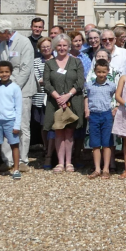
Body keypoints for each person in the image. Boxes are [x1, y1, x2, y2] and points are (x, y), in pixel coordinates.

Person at [0, 18, 36, 172]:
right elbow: (0, 66)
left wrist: (13, 88)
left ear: (5, 31)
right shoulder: (3, 44)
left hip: (22, 91)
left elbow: (26, 68)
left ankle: (23, 160)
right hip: (5, 90)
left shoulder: (24, 42)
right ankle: (9, 160)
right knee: (5, 123)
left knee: (22, 125)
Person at [43, 33, 86, 174]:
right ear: (55, 47)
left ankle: (69, 162)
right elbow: (47, 83)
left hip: (73, 100)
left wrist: (68, 95)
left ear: (69, 46)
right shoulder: (49, 64)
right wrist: (58, 97)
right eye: (59, 45)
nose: (62, 48)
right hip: (55, 102)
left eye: (65, 45)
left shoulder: (76, 62)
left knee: (69, 132)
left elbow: (80, 81)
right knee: (58, 132)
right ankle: (60, 162)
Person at [84, 60, 116, 179]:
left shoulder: (111, 85)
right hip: (94, 115)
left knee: (107, 143)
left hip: (107, 115)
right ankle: (97, 168)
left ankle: (106, 168)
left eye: (103, 72)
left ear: (107, 71)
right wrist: (86, 109)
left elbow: (117, 96)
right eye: (99, 72)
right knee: (95, 144)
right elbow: (86, 97)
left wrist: (116, 107)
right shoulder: (90, 85)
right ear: (95, 71)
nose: (101, 74)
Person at [32, 37, 52, 168]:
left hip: (54, 97)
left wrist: (46, 79)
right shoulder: (36, 62)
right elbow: (37, 79)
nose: (46, 49)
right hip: (40, 98)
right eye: (43, 47)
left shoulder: (57, 60)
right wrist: (52, 79)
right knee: (44, 125)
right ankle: (46, 148)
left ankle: (53, 149)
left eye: (48, 46)